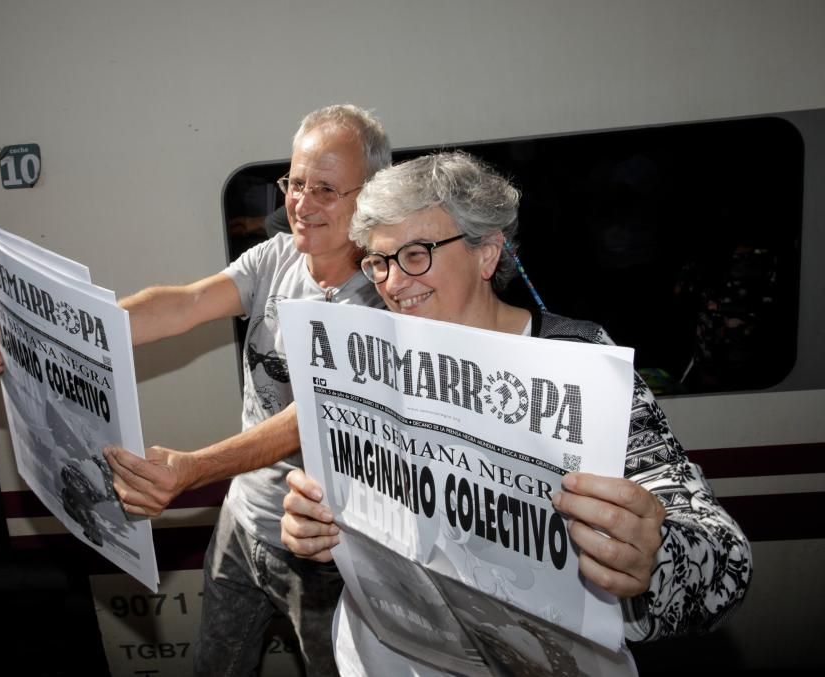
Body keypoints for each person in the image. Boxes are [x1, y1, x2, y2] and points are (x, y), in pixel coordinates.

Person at [280, 151, 752, 673]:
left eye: (416, 254)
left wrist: (654, 557)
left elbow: (725, 561)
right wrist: (318, 530)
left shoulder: (577, 363)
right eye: (379, 260)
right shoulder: (359, 360)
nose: (392, 283)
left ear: (487, 254)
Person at [0, 104, 391, 676]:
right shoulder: (281, 256)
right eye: (294, 183)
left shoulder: (383, 296)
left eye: (325, 189)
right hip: (243, 523)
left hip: (324, 552)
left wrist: (192, 468)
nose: (301, 203)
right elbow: (183, 303)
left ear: (370, 196)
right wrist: (45, 337)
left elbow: (307, 418)